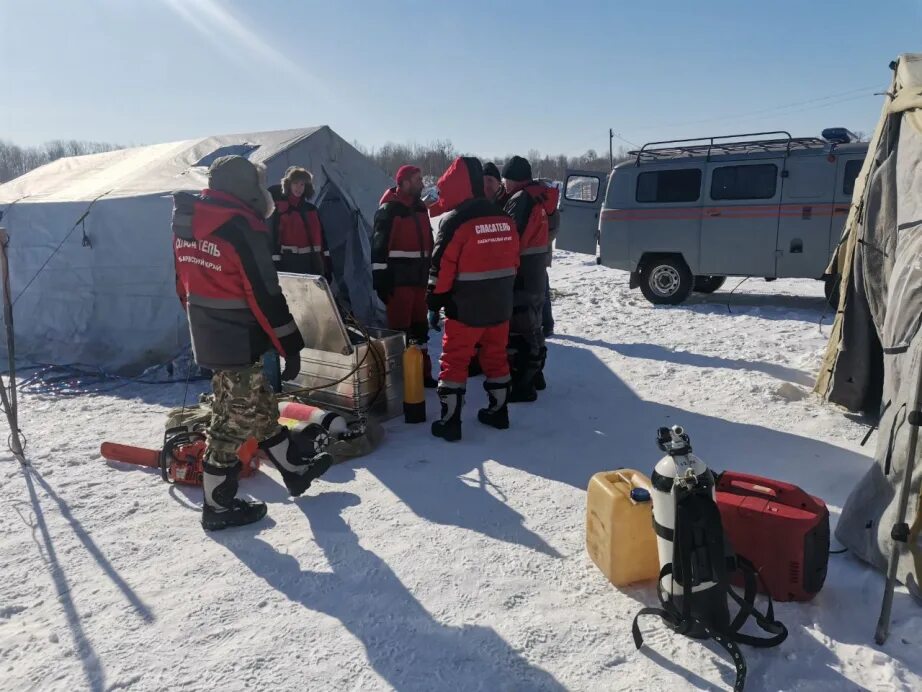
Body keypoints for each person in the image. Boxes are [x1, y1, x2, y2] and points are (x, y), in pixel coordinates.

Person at [172, 155, 333, 531]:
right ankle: (218, 506)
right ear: (246, 188)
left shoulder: (188, 221)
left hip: (209, 328)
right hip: (238, 335)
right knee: (232, 421)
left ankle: (294, 469)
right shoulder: (242, 226)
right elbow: (265, 294)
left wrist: (200, 321)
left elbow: (181, 282)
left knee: (259, 404)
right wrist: (289, 343)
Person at [427, 157, 520, 442]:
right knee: (496, 357)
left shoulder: (457, 221)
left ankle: (450, 420)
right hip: (501, 304)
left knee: (454, 361)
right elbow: (515, 261)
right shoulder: (504, 218)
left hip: (465, 307)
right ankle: (499, 412)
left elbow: (441, 266)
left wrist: (434, 301)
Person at [261, 167, 332, 393]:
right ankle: (292, 362)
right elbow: (272, 241)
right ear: (288, 185)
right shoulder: (279, 210)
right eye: (295, 184)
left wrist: (326, 265)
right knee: (292, 313)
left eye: (303, 184)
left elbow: (323, 239)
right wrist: (277, 269)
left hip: (311, 266)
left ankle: (315, 361)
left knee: (313, 312)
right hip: (289, 267)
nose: (299, 189)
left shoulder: (311, 209)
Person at [372, 165, 436, 387]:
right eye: (418, 180)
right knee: (401, 332)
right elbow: (378, 248)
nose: (422, 183)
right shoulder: (388, 210)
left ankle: (423, 373)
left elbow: (428, 239)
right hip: (398, 282)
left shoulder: (419, 208)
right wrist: (380, 280)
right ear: (405, 182)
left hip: (420, 280)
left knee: (420, 330)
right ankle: (401, 379)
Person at [501, 156, 553, 401]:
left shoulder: (520, 200)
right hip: (537, 269)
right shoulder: (537, 197)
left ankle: (523, 385)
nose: (504, 184)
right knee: (533, 326)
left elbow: (510, 237)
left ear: (514, 179)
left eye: (506, 179)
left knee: (521, 328)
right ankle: (537, 375)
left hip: (522, 271)